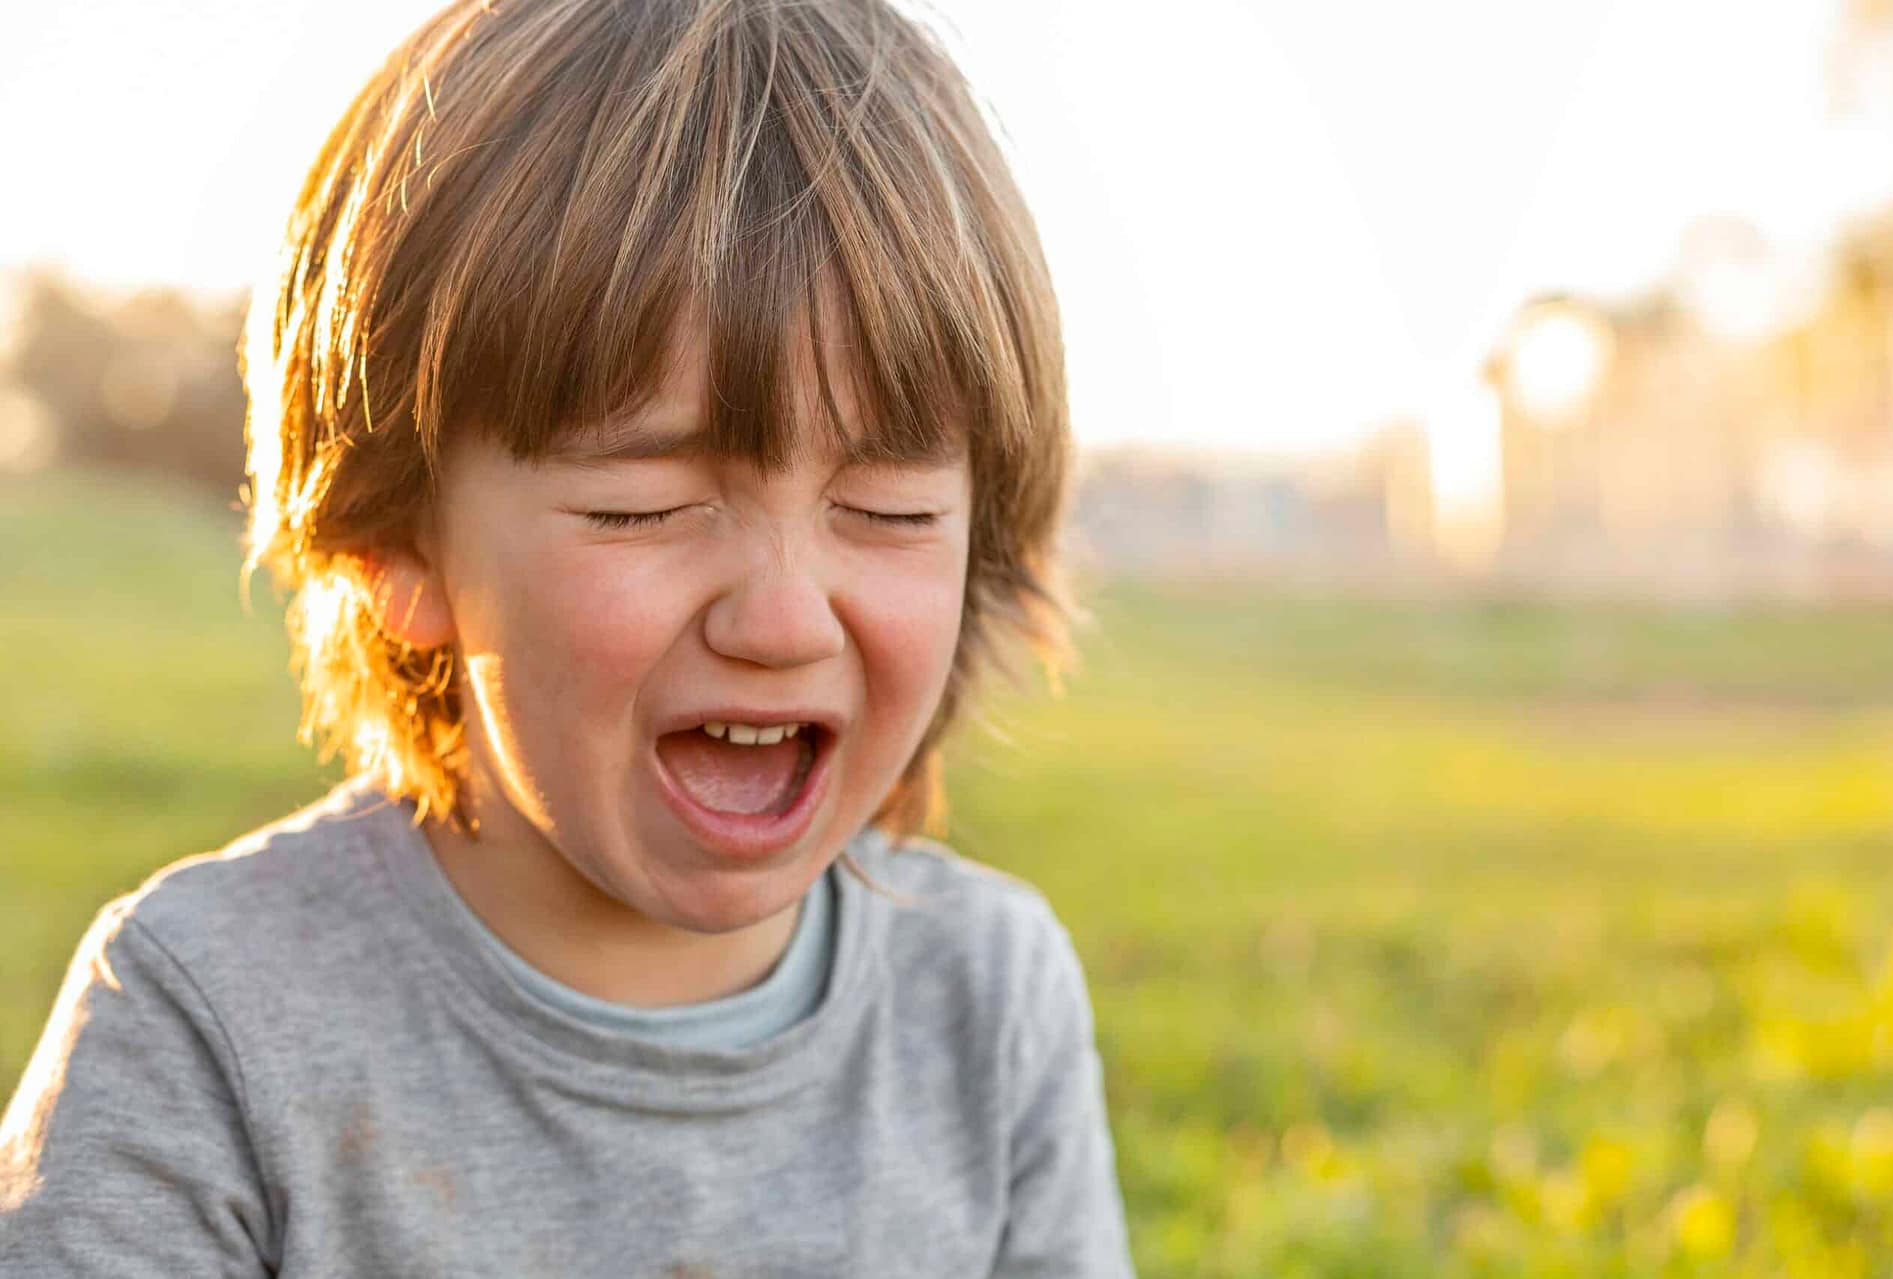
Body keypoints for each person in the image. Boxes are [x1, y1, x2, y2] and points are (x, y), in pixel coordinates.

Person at [0, 0, 1135, 1273]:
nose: (777, 617)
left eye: (887, 511)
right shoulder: (209, 1026)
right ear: (398, 544)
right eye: (640, 506)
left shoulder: (986, 998)